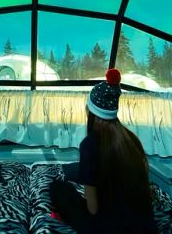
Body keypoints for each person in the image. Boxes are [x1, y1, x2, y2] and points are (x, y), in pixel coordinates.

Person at [50, 68, 157, 233]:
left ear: (90, 111)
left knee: (57, 187)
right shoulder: (131, 140)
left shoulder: (89, 145)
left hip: (106, 228)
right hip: (143, 226)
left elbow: (92, 209)